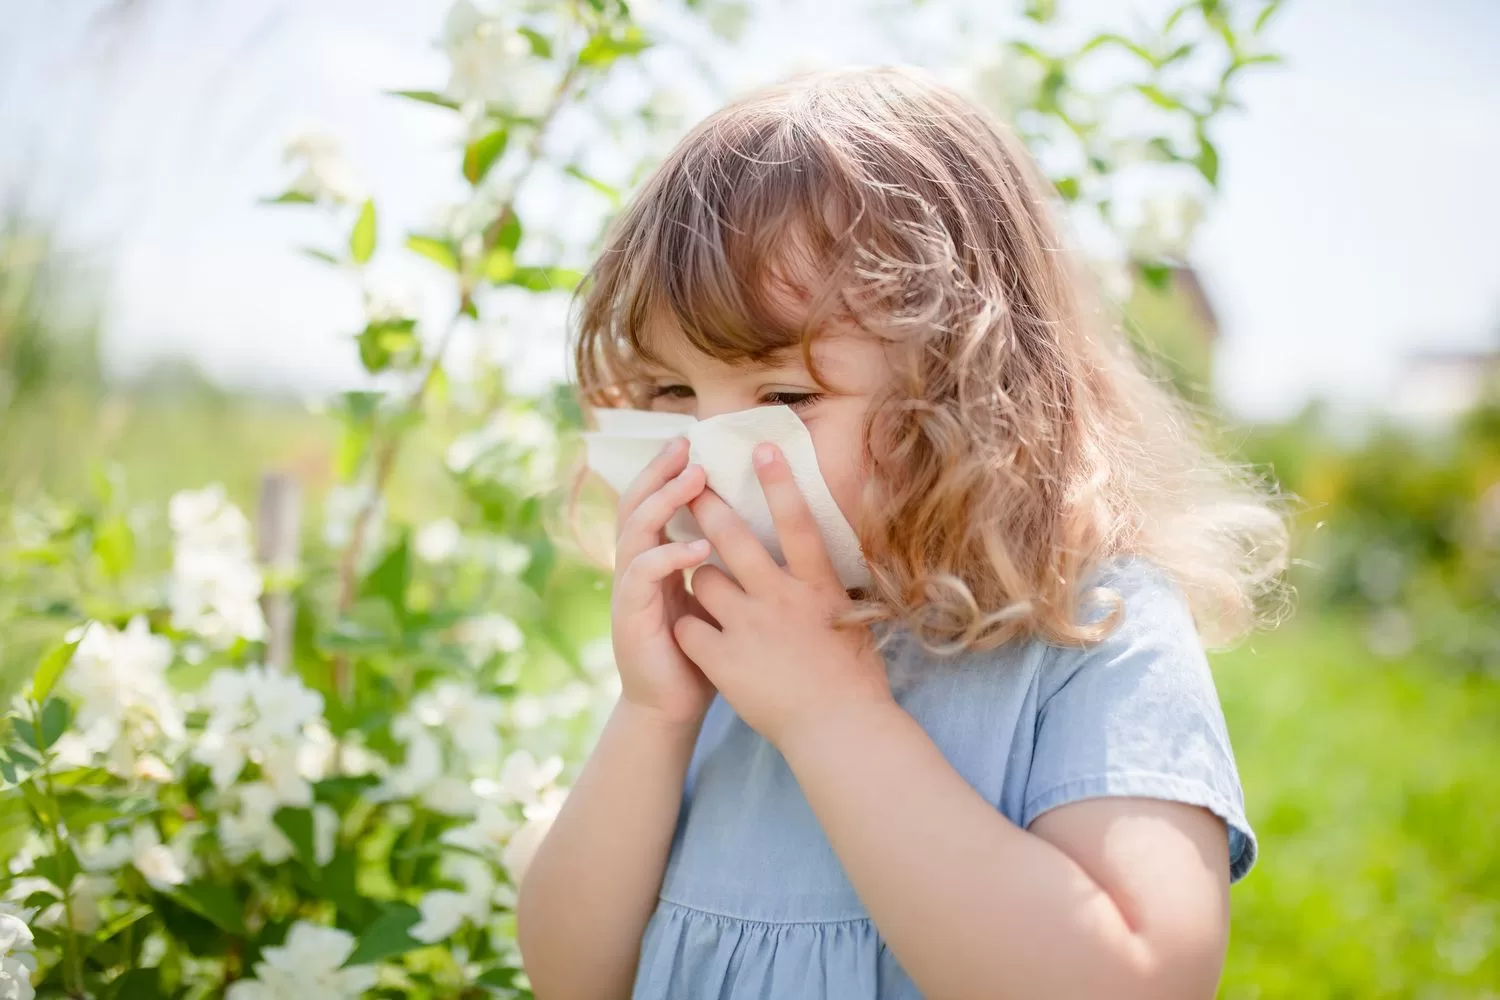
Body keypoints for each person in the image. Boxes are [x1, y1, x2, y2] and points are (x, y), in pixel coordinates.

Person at [515, 64, 1288, 1000]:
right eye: (671, 393)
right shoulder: (720, 650)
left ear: (971, 388)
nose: (711, 453)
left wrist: (835, 718)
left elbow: (1138, 979)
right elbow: (569, 976)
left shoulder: (1091, 630)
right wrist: (653, 717)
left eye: (788, 397)